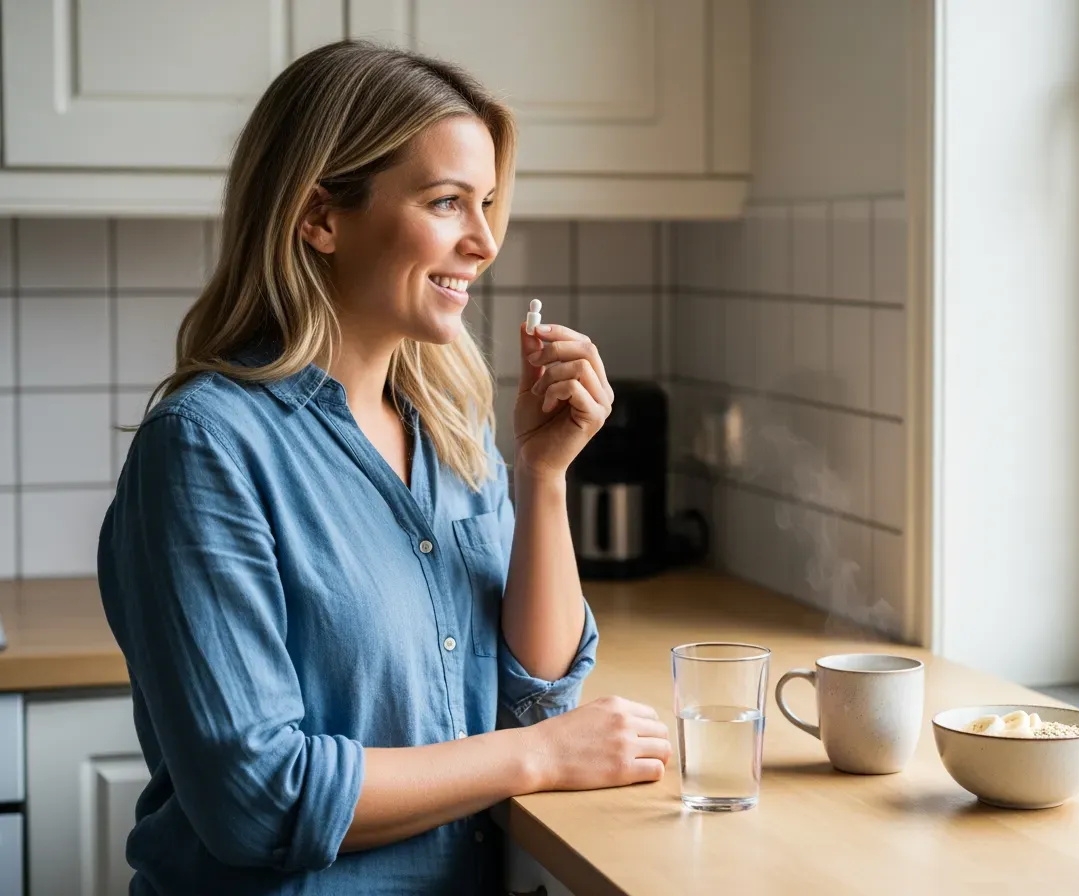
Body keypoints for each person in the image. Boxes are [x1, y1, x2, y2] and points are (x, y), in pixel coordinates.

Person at [97, 40, 672, 895]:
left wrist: (542, 475)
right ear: (319, 217)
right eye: (447, 203)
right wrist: (543, 756)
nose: (483, 242)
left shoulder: (451, 426)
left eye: (485, 203)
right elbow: (259, 797)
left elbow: (533, 696)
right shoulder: (205, 448)